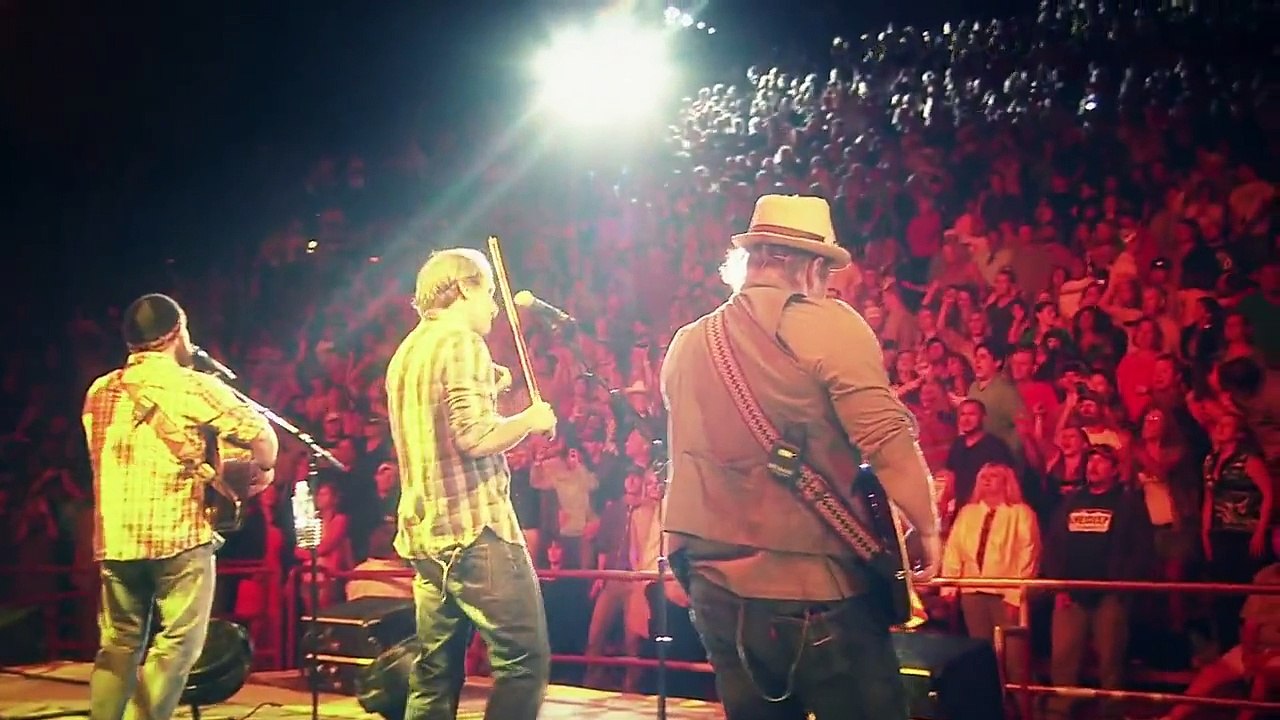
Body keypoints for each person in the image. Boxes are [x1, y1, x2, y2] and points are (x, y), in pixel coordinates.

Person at [661, 195, 941, 720]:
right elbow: (887, 443)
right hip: (816, 591)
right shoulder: (831, 325)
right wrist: (928, 528)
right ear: (812, 266)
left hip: (716, 589)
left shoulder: (687, 341)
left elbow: (683, 462)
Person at [83, 293, 278, 720]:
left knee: (117, 646)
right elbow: (262, 437)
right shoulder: (193, 385)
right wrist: (261, 473)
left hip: (115, 540)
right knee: (177, 644)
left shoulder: (100, 390)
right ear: (175, 333)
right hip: (178, 536)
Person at [385, 248, 558, 720]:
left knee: (434, 671)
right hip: (475, 531)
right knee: (524, 661)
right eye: (489, 293)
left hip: (426, 534)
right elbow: (474, 436)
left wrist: (492, 388)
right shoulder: (463, 343)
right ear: (464, 287)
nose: (496, 307)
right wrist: (530, 418)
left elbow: (443, 418)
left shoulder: (408, 351)